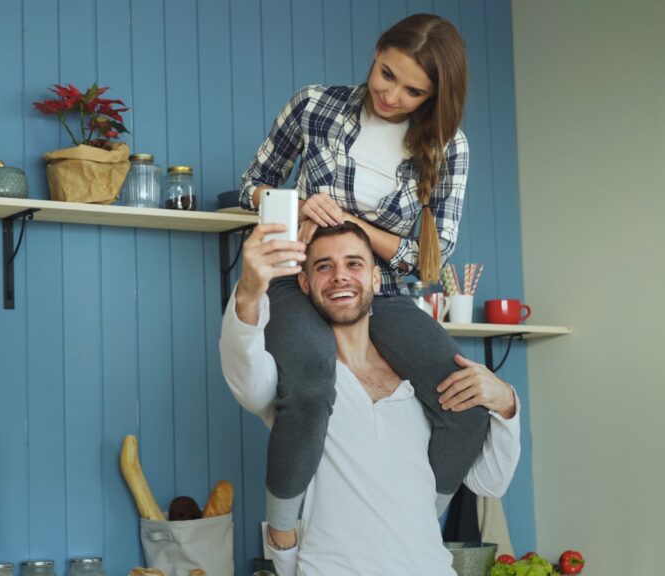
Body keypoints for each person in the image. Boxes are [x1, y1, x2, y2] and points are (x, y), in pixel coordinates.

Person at [238, 13, 482, 549]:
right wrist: (299, 204)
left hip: (385, 292)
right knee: (308, 389)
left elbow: (429, 260)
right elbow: (252, 186)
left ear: (436, 95)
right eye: (386, 74)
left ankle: (420, 522)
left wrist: (353, 228)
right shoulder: (314, 105)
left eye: (414, 90)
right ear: (376, 53)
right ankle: (281, 532)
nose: (392, 95)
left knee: (465, 406)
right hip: (298, 279)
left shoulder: (449, 147)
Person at [220, 222, 520, 575]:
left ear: (377, 280)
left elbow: (490, 481)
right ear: (304, 284)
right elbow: (245, 374)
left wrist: (506, 402)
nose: (340, 277)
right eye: (324, 267)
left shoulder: (423, 383)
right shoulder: (297, 379)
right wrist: (249, 292)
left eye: (354, 264)